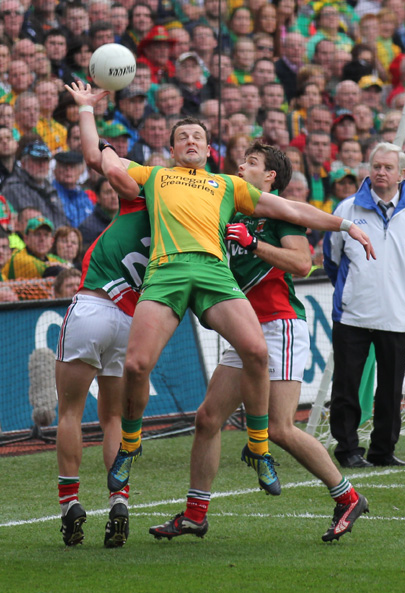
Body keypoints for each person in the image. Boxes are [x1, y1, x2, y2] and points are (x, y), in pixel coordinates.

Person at [64, 82, 374, 521]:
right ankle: (131, 445)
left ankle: (260, 448)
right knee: (136, 366)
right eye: (182, 137)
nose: (191, 141)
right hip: (168, 271)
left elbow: (293, 211)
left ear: (209, 151)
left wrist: (346, 226)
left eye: (198, 137)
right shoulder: (154, 176)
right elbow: (99, 159)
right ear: (170, 149)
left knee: (255, 350)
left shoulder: (228, 186)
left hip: (213, 274)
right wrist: (85, 111)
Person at [149, 142, 369, 543]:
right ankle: (196, 514)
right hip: (246, 331)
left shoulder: (275, 214)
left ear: (270, 177)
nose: (240, 166)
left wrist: (252, 244)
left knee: (281, 428)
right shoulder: (227, 205)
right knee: (207, 419)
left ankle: (348, 496)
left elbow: (303, 264)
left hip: (279, 325)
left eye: (250, 163)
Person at [55, 87, 151, 548]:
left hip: (93, 304)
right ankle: (120, 501)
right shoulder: (192, 221)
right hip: (133, 321)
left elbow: (97, 157)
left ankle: (70, 501)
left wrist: (88, 106)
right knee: (114, 418)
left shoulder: (142, 193)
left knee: (71, 411)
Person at [323, 142, 405, 468]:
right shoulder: (345, 210)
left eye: (388, 167)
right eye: (376, 166)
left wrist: (404, 294)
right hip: (353, 314)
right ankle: (347, 450)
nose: (381, 172)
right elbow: (332, 259)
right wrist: (351, 291)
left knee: (390, 391)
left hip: (396, 316)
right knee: (346, 387)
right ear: (368, 169)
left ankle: (383, 451)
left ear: (402, 174)